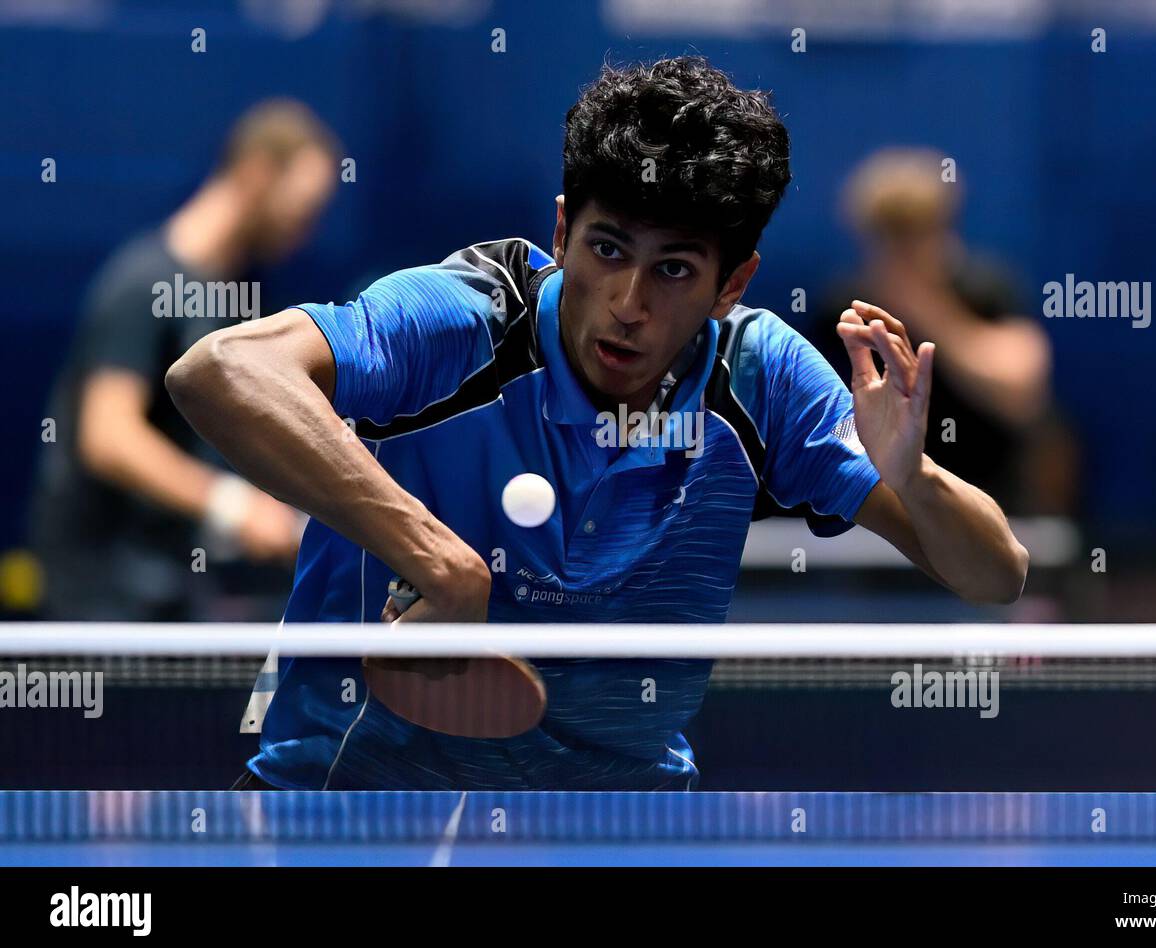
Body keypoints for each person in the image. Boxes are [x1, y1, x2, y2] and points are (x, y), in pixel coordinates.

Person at [168, 58, 1029, 791]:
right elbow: (220, 371)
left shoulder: (758, 378)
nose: (628, 304)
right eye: (607, 249)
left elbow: (997, 577)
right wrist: (437, 560)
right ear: (561, 229)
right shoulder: (465, 321)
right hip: (352, 794)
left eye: (676, 271)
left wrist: (913, 477)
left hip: (614, 817)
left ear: (733, 284)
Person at [31, 99, 340, 621]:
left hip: (168, 591)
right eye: (302, 209)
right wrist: (233, 506)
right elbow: (108, 437)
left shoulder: (238, 300)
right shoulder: (142, 281)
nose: (305, 231)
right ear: (257, 174)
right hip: (99, 605)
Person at [812, 148, 1053, 507]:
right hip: (873, 511)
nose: (904, 253)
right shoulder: (842, 310)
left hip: (984, 502)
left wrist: (931, 314)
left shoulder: (985, 293)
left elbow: (1021, 395)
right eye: (891, 237)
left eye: (917, 233)